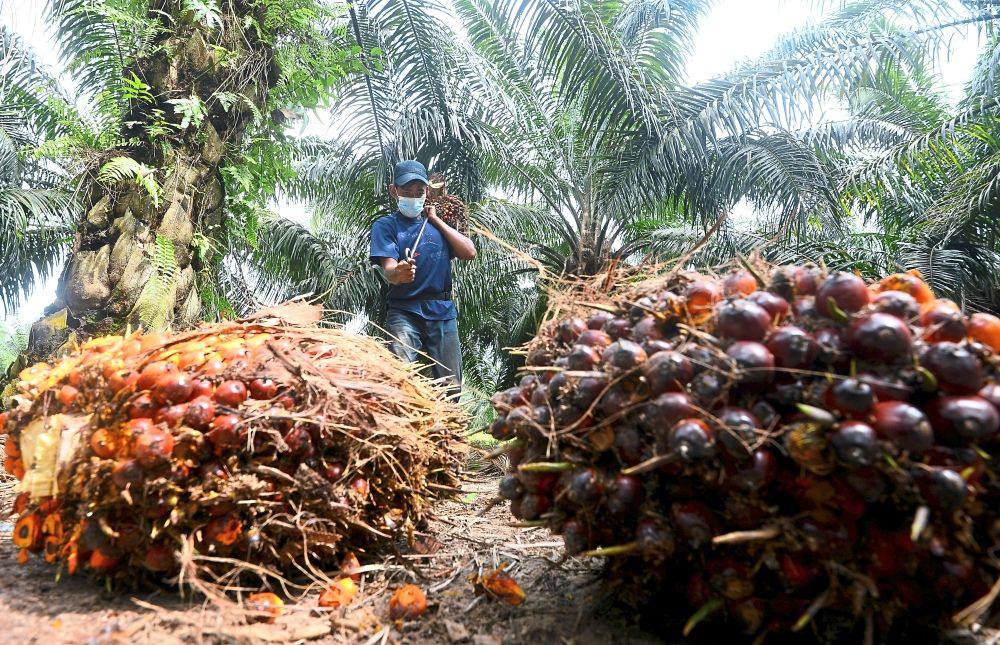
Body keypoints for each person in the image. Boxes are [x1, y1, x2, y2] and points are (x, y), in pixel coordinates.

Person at [369, 160, 476, 392]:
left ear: (427, 192)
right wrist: (398, 273)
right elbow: (389, 270)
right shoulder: (385, 226)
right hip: (404, 310)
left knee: (452, 388)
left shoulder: (438, 225)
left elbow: (469, 252)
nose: (413, 196)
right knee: (400, 379)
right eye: (406, 191)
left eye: (419, 191)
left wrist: (436, 220)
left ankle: (444, 427)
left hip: (442, 310)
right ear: (393, 190)